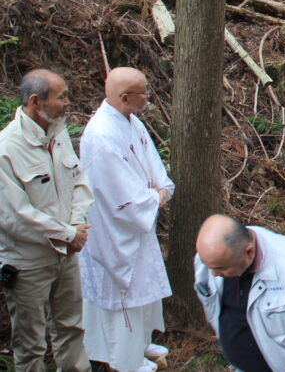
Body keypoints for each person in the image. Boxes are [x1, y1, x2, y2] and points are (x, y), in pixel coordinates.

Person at [78, 67, 175, 372]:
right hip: (114, 232)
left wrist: (162, 188)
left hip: (137, 227)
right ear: (124, 97)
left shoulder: (131, 122)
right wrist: (155, 197)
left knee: (140, 294)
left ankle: (139, 346)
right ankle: (122, 358)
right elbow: (123, 199)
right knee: (121, 296)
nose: (149, 96)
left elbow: (154, 168)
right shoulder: (101, 135)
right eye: (144, 92)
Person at [0, 69, 94, 371]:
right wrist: (68, 233)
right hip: (28, 263)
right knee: (30, 344)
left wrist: (76, 226)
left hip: (67, 255)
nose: (68, 103)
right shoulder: (6, 148)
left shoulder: (59, 132)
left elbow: (79, 180)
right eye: (61, 96)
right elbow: (15, 215)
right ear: (35, 101)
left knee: (71, 329)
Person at [194, 214, 285, 371]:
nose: (213, 274)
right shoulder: (213, 257)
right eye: (209, 266)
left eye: (221, 268)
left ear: (249, 252)